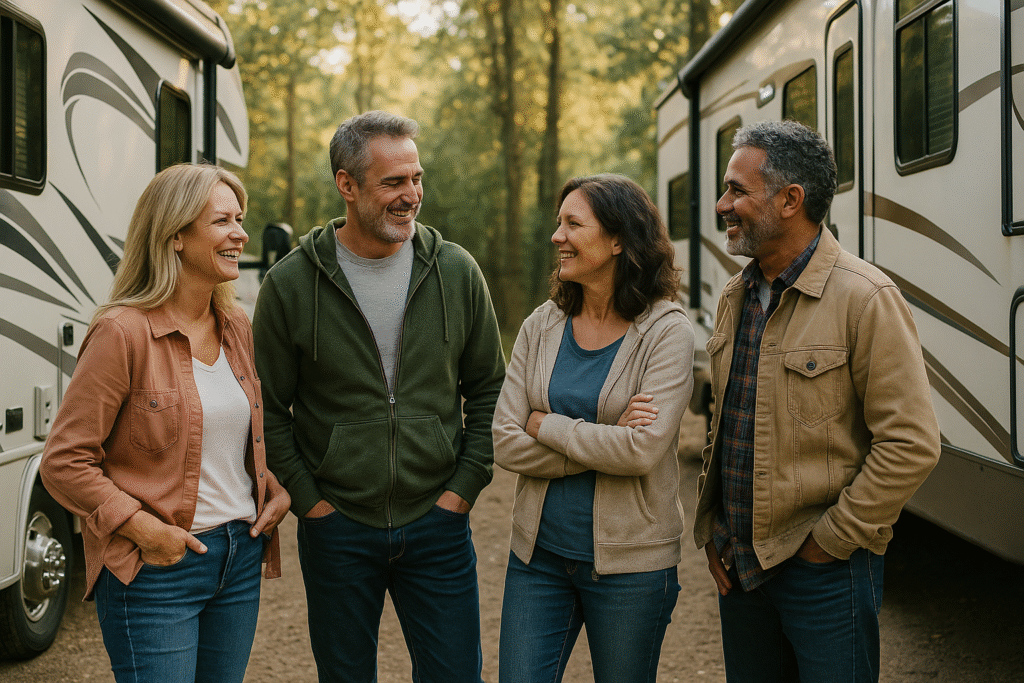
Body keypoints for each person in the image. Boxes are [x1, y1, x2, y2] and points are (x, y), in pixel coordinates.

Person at [252, 110, 506, 683]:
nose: (411, 195)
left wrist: (462, 490)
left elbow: (490, 386)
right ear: (347, 184)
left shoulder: (457, 271)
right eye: (394, 182)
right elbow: (265, 405)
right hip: (337, 528)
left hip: (438, 525)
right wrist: (312, 502)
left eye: (417, 179)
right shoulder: (291, 283)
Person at [694, 120, 941, 682]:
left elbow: (912, 443)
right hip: (742, 568)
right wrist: (715, 526)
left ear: (789, 200)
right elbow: (727, 424)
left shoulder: (865, 298)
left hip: (826, 574)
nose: (721, 204)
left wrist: (831, 541)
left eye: (737, 189)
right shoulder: (737, 295)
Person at [39, 163, 290, 683]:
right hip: (158, 572)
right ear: (175, 235)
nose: (240, 234)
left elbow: (232, 437)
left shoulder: (237, 323)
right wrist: (143, 530)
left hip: (239, 560)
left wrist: (272, 487)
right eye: (223, 221)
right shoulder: (122, 332)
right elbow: (64, 461)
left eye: (240, 219)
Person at [492, 174, 695, 683]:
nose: (557, 236)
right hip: (537, 559)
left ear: (618, 240)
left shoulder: (667, 331)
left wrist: (548, 425)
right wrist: (602, 439)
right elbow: (504, 439)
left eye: (572, 224)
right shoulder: (542, 323)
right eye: (559, 223)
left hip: (632, 569)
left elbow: (642, 451)